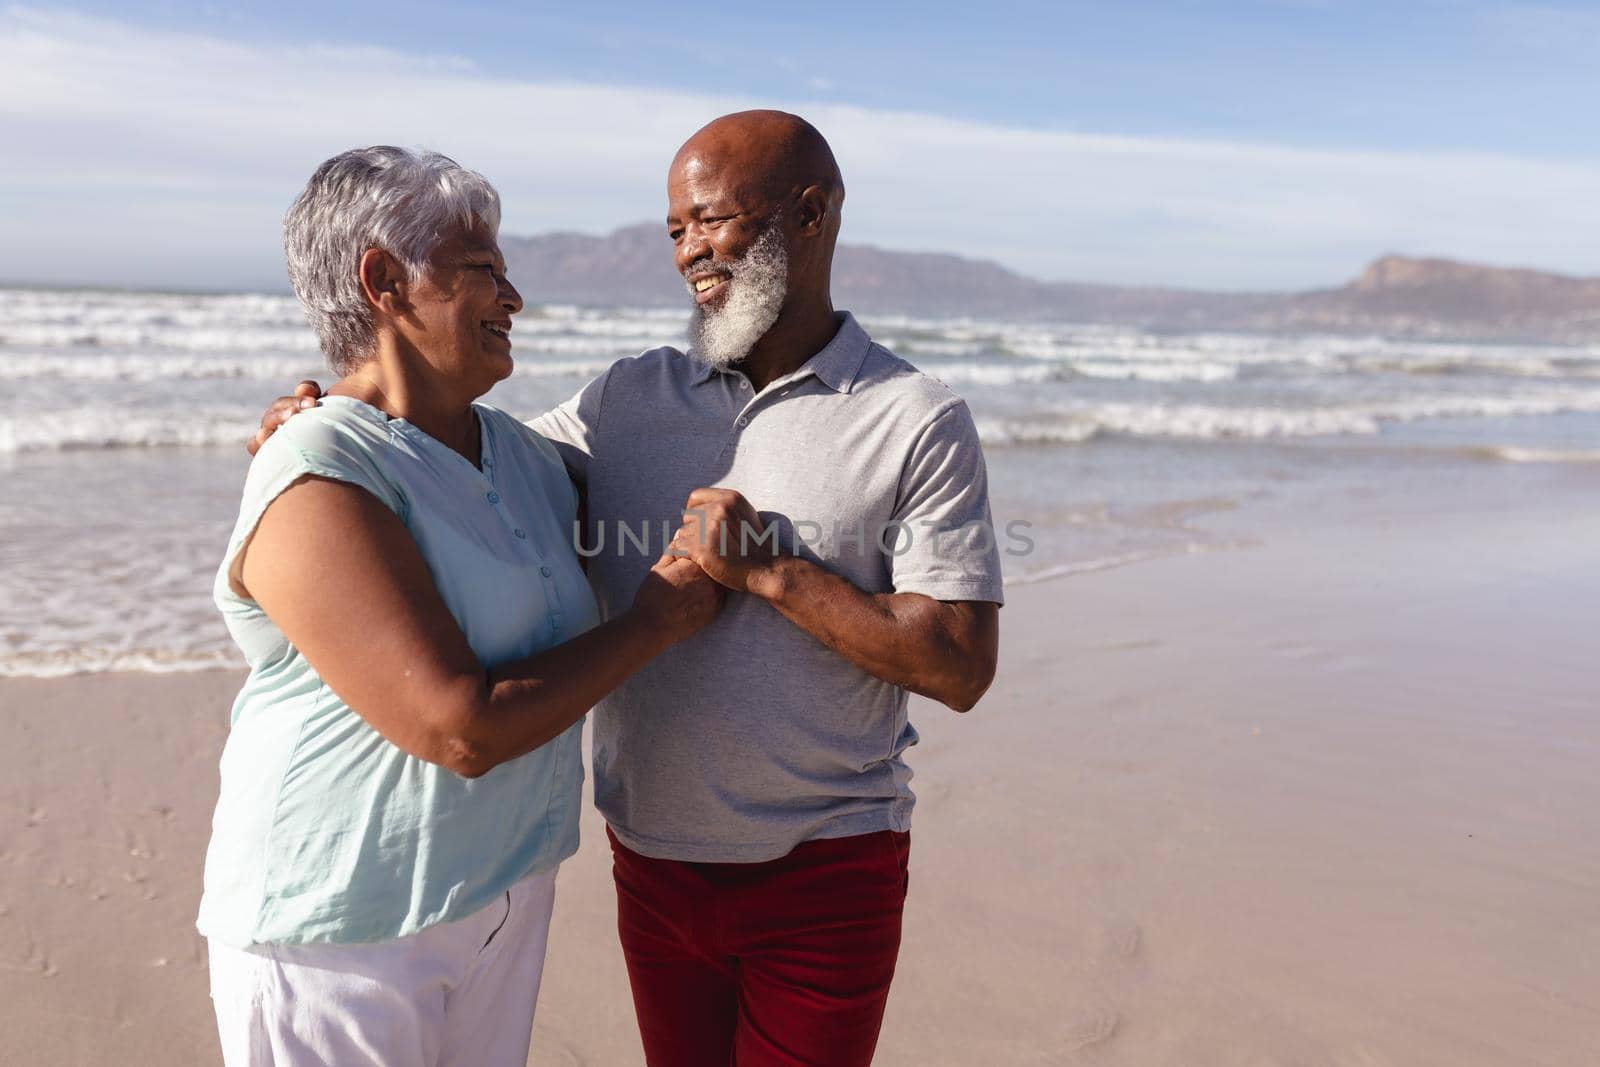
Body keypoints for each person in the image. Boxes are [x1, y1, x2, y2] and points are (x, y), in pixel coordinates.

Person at [254, 111, 1003, 1067]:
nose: (691, 252)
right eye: (676, 230)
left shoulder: (915, 417)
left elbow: (959, 661)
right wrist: (336, 418)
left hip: (828, 870)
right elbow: (467, 467)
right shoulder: (626, 400)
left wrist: (776, 574)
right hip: (651, 864)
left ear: (810, 215)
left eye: (714, 221)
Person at [205, 145, 722, 1067]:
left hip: (505, 895)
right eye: (482, 270)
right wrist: (656, 620)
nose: (513, 298)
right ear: (384, 282)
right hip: (338, 929)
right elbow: (458, 727)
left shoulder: (526, 459)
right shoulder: (318, 466)